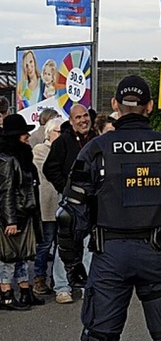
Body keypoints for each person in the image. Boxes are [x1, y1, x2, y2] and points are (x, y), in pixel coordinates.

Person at [56, 75, 161, 341]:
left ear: (115, 104)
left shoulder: (97, 148)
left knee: (99, 334)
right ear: (149, 106)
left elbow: (69, 215)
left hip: (110, 255)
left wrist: (72, 264)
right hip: (158, 250)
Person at [43, 103, 95, 304]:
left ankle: (88, 285)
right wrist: (65, 188)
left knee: (90, 243)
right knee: (66, 244)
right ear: (71, 121)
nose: (83, 120)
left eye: (85, 116)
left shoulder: (96, 140)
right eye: (78, 118)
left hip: (92, 201)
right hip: (70, 202)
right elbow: (50, 168)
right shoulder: (62, 142)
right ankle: (62, 286)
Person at [0, 114, 44, 310]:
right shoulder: (7, 158)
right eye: (24, 132)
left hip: (25, 213)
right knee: (8, 256)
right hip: (14, 215)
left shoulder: (22, 155)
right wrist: (10, 220)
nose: (28, 135)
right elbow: (5, 190)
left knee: (23, 255)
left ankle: (25, 291)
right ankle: (6, 294)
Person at [32, 116, 64, 296]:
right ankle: (39, 278)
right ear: (49, 132)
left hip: (62, 205)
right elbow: (48, 172)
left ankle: (58, 279)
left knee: (61, 245)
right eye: (58, 132)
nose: (60, 135)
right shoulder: (40, 150)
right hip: (47, 205)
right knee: (45, 244)